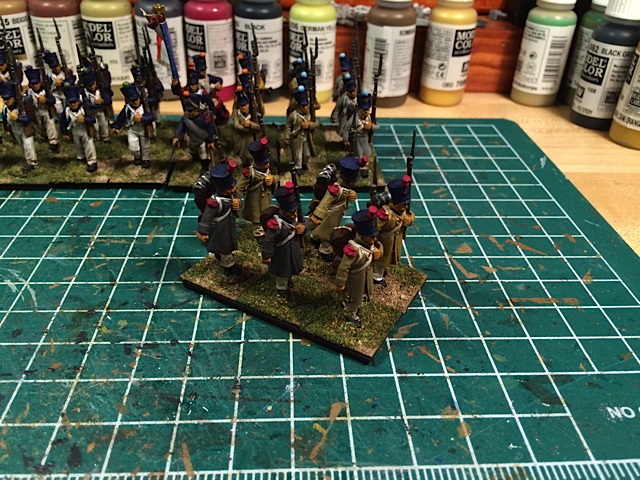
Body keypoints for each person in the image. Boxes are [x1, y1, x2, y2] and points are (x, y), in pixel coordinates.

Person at [335, 206, 383, 328]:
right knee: (353, 298)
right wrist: (340, 283)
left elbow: (378, 248)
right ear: (363, 237)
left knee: (362, 294)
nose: (375, 239)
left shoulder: (370, 244)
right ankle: (350, 314)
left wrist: (379, 253)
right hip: (354, 279)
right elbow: (344, 267)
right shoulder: (353, 249)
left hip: (365, 276)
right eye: (372, 237)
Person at [309, 155, 364, 262]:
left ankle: (315, 238)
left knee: (321, 230)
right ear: (350, 180)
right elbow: (324, 203)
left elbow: (347, 192)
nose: (355, 182)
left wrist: (352, 194)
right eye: (354, 180)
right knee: (328, 234)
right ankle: (325, 251)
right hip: (329, 217)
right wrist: (317, 216)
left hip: (335, 215)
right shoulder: (335, 190)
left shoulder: (344, 188)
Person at [196, 161, 243, 276]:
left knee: (227, 244)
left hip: (228, 225)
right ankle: (228, 265)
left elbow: (235, 201)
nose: (233, 189)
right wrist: (202, 231)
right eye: (229, 188)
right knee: (225, 247)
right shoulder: (214, 202)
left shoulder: (230, 195)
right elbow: (206, 218)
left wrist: (237, 203)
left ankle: (221, 255)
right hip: (219, 229)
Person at [261, 181, 306, 300]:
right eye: (292, 212)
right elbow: (268, 240)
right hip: (282, 253)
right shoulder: (276, 224)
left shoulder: (295, 216)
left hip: (293, 250)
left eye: (295, 210)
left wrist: (303, 228)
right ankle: (281, 288)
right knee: (282, 271)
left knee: (291, 268)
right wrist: (266, 255)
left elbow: (304, 222)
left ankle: (288, 279)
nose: (295, 214)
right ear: (284, 211)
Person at [374, 176, 415, 287]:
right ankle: (377, 277)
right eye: (403, 204)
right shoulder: (384, 213)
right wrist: (374, 244)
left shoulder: (403, 209)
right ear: (395, 203)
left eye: (406, 204)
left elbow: (410, 214)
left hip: (396, 240)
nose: (405, 206)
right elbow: (376, 228)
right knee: (382, 259)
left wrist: (409, 220)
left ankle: (385, 270)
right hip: (385, 241)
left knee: (392, 257)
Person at [236, 138, 279, 244]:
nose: (267, 165)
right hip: (254, 200)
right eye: (264, 163)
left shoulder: (270, 169)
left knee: (266, 214)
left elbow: (277, 177)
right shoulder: (250, 173)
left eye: (268, 162)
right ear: (258, 163)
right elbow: (239, 187)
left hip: (266, 199)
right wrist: (236, 198)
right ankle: (258, 233)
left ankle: (265, 229)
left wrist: (273, 179)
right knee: (257, 218)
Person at [111, 82, 155, 168]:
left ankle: (145, 159)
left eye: (136, 99)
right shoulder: (127, 108)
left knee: (145, 146)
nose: (135, 102)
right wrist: (116, 127)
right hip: (132, 130)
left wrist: (142, 119)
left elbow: (151, 117)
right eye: (132, 100)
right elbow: (121, 117)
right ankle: (137, 157)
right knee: (133, 147)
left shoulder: (145, 107)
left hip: (143, 129)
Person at [172, 92, 216, 174]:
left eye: (191, 110)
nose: (189, 113)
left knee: (204, 152)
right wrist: (176, 137)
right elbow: (181, 127)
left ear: (197, 110)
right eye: (188, 110)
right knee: (192, 149)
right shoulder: (186, 118)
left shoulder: (204, 118)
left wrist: (211, 141)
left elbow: (210, 129)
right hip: (192, 138)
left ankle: (205, 167)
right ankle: (196, 158)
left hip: (202, 140)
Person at [59, 83, 98, 172]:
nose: (73, 104)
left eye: (75, 101)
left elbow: (93, 119)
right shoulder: (66, 111)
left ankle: (92, 161)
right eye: (71, 102)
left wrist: (85, 120)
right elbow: (63, 122)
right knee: (77, 145)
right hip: (75, 130)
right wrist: (64, 132)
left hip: (85, 130)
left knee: (88, 145)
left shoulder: (84, 109)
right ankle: (81, 157)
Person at [1, 80, 37, 172]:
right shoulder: (5, 109)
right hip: (15, 130)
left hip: (25, 129)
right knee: (22, 146)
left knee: (28, 145)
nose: (6, 101)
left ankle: (32, 162)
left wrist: (17, 118)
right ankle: (27, 160)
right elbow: (5, 120)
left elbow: (29, 118)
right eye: (4, 99)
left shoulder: (22, 106)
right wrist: (7, 129)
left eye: (8, 98)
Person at [344, 89, 379, 178]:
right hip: (357, 139)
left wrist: (371, 126)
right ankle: (360, 168)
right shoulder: (355, 118)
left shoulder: (370, 117)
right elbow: (347, 128)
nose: (366, 111)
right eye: (364, 109)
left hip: (365, 138)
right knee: (359, 154)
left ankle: (365, 166)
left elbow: (378, 126)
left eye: (368, 109)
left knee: (367, 152)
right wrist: (346, 139)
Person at [284, 85, 319, 175]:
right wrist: (287, 137)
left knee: (307, 154)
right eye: (303, 106)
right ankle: (298, 167)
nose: (306, 107)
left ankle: (304, 163)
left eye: (307, 105)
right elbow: (288, 127)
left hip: (307, 138)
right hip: (297, 138)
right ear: (299, 106)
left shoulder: (310, 114)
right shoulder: (293, 115)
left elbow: (316, 123)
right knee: (298, 155)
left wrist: (309, 125)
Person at [24, 65, 59, 153]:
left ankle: (53, 141)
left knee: (50, 124)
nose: (35, 85)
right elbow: (26, 101)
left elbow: (53, 100)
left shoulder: (45, 90)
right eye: (33, 84)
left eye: (37, 83)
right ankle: (42, 136)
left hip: (46, 110)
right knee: (38, 125)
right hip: (36, 111)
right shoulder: (29, 92)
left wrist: (46, 100)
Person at [80, 68, 113, 144]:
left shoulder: (100, 90)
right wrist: (95, 104)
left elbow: (108, 100)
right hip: (91, 113)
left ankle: (105, 137)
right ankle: (96, 137)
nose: (92, 87)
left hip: (101, 111)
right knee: (95, 126)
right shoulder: (84, 93)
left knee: (104, 124)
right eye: (89, 85)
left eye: (93, 84)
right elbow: (84, 104)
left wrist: (102, 101)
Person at [232, 87, 260, 166]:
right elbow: (237, 126)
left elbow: (259, 127)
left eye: (245, 105)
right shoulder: (237, 113)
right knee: (241, 154)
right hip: (241, 138)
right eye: (241, 105)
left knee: (250, 154)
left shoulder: (254, 113)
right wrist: (249, 129)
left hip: (251, 138)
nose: (243, 107)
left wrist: (250, 124)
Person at [43, 50, 73, 116]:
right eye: (53, 67)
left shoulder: (66, 72)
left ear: (59, 65)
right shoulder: (49, 76)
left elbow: (71, 82)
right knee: (59, 110)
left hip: (66, 93)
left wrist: (62, 83)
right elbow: (48, 87)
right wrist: (54, 84)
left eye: (57, 66)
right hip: (56, 94)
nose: (56, 68)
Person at [331, 73, 357, 139]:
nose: (353, 93)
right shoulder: (342, 98)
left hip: (355, 116)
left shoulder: (358, 98)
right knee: (343, 128)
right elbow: (337, 108)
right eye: (350, 92)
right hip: (345, 115)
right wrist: (334, 117)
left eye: (354, 91)